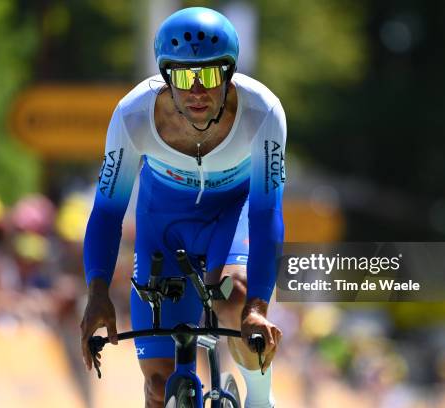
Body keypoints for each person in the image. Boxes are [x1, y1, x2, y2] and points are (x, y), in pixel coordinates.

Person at [80, 7, 286, 408]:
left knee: (237, 299)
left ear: (228, 75)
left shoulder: (263, 112)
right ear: (165, 75)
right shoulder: (132, 114)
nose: (196, 91)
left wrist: (258, 308)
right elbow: (106, 212)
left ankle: (261, 400)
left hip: (234, 214)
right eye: (183, 76)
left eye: (208, 75)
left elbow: (265, 213)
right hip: (163, 227)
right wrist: (97, 292)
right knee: (160, 387)